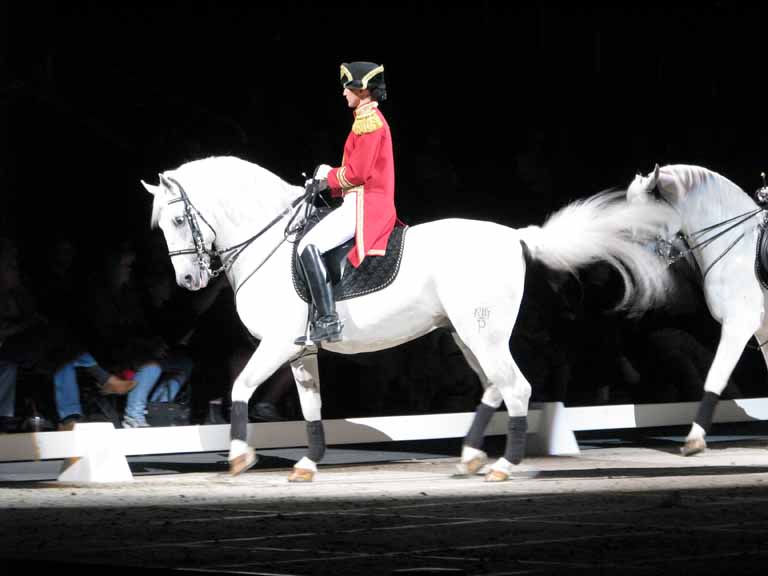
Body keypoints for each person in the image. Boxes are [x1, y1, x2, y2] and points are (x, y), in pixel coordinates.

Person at [295, 61, 398, 345]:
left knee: (307, 245)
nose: (343, 93)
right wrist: (327, 175)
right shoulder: (365, 119)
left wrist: (326, 178)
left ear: (362, 89)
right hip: (359, 200)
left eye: (347, 87)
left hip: (365, 206)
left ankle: (328, 320)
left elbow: (358, 173)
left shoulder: (369, 122)